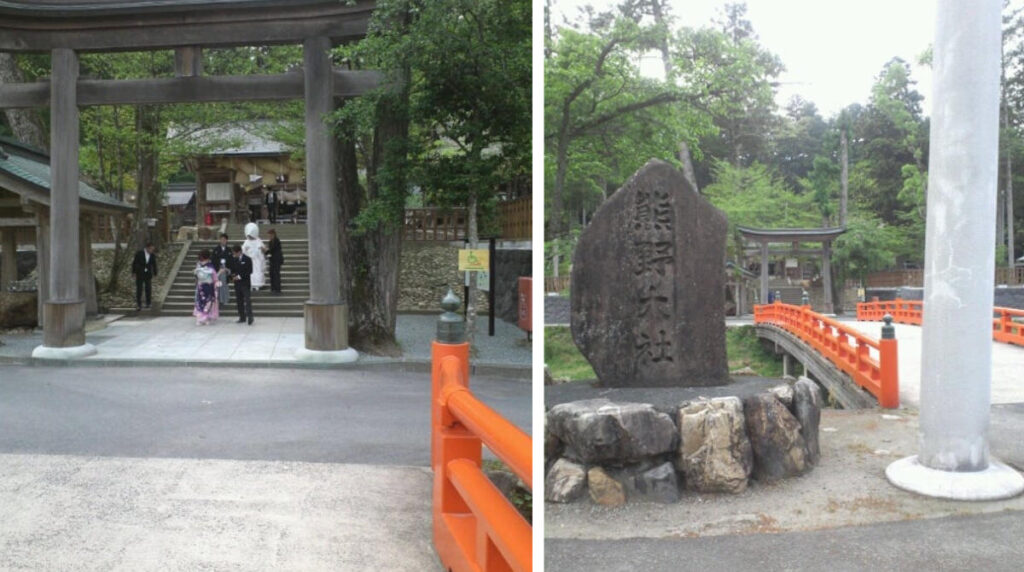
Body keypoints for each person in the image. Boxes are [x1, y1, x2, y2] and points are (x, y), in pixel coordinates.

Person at [227, 244, 254, 325]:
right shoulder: (234, 259)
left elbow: (249, 271)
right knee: (239, 301)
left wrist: (238, 277)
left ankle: (250, 317)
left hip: (245, 283)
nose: (234, 255)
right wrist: (231, 277)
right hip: (237, 284)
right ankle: (242, 317)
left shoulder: (247, 259)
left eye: (235, 253)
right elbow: (232, 270)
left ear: (239, 252)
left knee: (247, 300)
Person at [193, 249, 220, 325]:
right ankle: (206, 318)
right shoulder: (210, 266)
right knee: (208, 302)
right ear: (208, 257)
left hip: (201, 286)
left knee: (200, 301)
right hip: (209, 286)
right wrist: (216, 284)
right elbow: (215, 277)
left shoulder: (198, 265)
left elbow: (196, 276)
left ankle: (200, 318)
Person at [131, 242, 157, 310]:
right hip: (140, 273)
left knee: (148, 288)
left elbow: (154, 264)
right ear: (147, 248)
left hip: (148, 274)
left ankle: (148, 303)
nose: (152, 251)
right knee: (139, 289)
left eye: (153, 249)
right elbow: (135, 262)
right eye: (151, 249)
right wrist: (134, 272)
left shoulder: (152, 255)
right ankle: (139, 304)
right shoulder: (139, 253)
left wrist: (155, 273)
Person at [241, 222, 266, 291]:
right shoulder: (246, 241)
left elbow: (263, 248)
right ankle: (251, 284)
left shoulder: (258, 240)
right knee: (250, 272)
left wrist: (261, 249)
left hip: (257, 260)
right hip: (250, 260)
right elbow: (243, 250)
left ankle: (259, 284)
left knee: (257, 272)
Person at [211, 233, 232, 308]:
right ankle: (218, 299)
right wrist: (217, 268)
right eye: (221, 239)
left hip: (225, 269)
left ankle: (225, 299)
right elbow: (213, 260)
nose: (223, 241)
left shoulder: (229, 250)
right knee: (218, 285)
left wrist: (228, 269)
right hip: (218, 269)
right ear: (219, 240)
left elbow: (231, 260)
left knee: (224, 285)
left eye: (224, 240)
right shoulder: (216, 250)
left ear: (226, 240)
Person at [266, 228, 283, 294]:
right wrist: (266, 252)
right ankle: (273, 288)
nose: (269, 236)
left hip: (277, 260)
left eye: (270, 235)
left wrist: (266, 250)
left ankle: (277, 289)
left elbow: (272, 250)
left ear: (273, 234)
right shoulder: (270, 242)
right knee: (271, 274)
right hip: (272, 260)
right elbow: (269, 253)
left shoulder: (276, 241)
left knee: (276, 274)